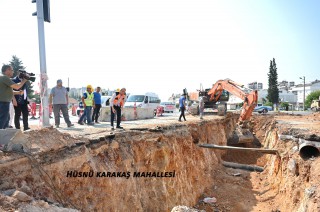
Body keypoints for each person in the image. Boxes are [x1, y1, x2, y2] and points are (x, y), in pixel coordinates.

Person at [0, 65, 27, 129]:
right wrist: (24, 80)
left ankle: (4, 136)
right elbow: (17, 86)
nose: (13, 71)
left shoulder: (4, 79)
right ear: (7, 70)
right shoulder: (4, 78)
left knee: (6, 120)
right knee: (3, 121)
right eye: (12, 70)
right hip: (3, 103)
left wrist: (18, 92)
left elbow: (7, 91)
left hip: (4, 103)